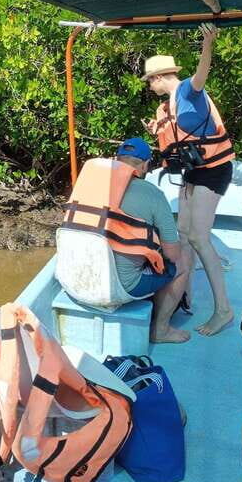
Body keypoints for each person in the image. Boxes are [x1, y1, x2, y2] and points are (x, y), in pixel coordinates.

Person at [142, 23, 235, 336]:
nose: (149, 86)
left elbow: (201, 74)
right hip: (195, 170)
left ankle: (223, 310)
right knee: (182, 235)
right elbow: (176, 145)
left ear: (159, 77)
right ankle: (186, 294)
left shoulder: (186, 91)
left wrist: (207, 44)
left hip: (215, 170)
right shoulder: (166, 107)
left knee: (198, 237)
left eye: (150, 81)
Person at [64, 138, 190, 343]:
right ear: (145, 165)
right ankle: (160, 330)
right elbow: (172, 255)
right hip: (119, 289)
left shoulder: (89, 186)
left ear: (116, 161)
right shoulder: (153, 194)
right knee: (183, 262)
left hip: (74, 282)